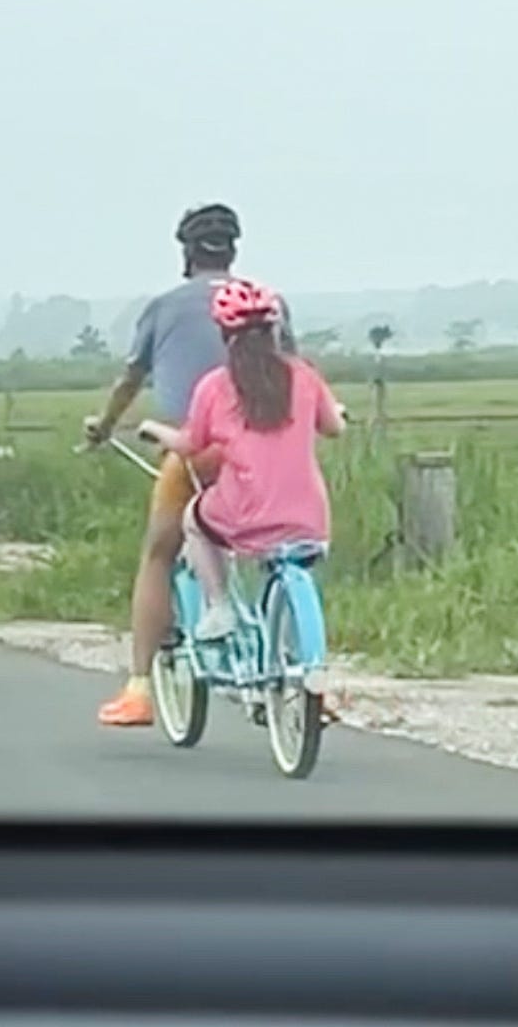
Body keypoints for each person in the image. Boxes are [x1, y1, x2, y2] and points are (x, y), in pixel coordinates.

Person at [84, 203, 296, 726]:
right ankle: (301, 673)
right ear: (234, 249)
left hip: (196, 455)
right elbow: (294, 370)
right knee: (281, 552)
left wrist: (105, 426)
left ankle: (138, 689)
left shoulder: (164, 308)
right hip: (267, 453)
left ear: (186, 252)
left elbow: (130, 379)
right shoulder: (269, 304)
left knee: (160, 553)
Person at [138, 277, 345, 640]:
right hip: (310, 520)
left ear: (225, 334)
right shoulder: (304, 377)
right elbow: (333, 428)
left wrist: (155, 430)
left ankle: (219, 607)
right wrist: (336, 412)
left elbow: (190, 444)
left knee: (193, 520)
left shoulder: (216, 387)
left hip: (246, 516)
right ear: (274, 331)